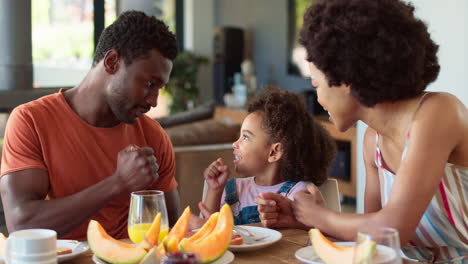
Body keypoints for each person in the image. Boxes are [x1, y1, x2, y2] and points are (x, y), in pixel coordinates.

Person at [256, 0, 468, 263]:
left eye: (316, 83)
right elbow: (375, 244)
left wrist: (319, 216)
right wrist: (306, 220)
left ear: (344, 77)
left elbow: (393, 229)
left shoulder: (438, 113)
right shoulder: (372, 142)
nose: (318, 98)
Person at [0, 11, 181, 240]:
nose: (153, 101)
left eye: (159, 88)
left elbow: (172, 228)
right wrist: (118, 183)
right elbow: (22, 224)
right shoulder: (31, 121)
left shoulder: (153, 136)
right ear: (112, 62)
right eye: (148, 84)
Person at [199, 86, 336, 225]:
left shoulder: (299, 193)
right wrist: (214, 190)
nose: (235, 144)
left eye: (245, 137)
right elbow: (207, 230)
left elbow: (317, 228)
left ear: (274, 152)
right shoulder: (230, 189)